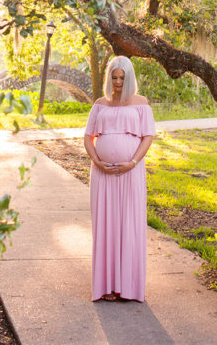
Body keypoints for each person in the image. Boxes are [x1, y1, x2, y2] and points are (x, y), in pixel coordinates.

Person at [83, 56, 156, 302]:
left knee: (128, 225)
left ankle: (128, 287)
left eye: (121, 78)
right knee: (106, 226)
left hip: (130, 173)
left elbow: (147, 136)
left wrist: (132, 162)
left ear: (129, 78)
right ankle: (106, 287)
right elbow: (88, 137)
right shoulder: (100, 104)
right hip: (103, 175)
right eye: (113, 77)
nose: (117, 82)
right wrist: (96, 160)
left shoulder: (140, 104)